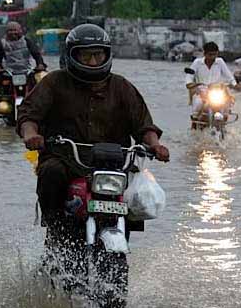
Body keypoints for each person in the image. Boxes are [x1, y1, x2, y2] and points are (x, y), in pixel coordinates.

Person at [17, 23, 170, 231]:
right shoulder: (54, 82)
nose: (93, 61)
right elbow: (28, 114)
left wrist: (156, 145)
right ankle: (55, 229)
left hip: (112, 164)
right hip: (66, 158)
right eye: (86, 56)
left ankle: (123, 229)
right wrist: (31, 135)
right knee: (51, 172)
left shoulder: (121, 86)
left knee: (134, 192)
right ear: (73, 56)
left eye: (98, 55)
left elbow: (144, 124)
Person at [186, 42, 237, 116]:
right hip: (201, 92)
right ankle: (195, 123)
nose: (212, 57)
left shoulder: (220, 62)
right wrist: (189, 83)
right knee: (197, 105)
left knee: (226, 105)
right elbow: (189, 78)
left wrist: (235, 84)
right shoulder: (197, 63)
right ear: (205, 54)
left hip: (217, 91)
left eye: (215, 54)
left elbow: (229, 76)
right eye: (210, 55)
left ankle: (223, 123)